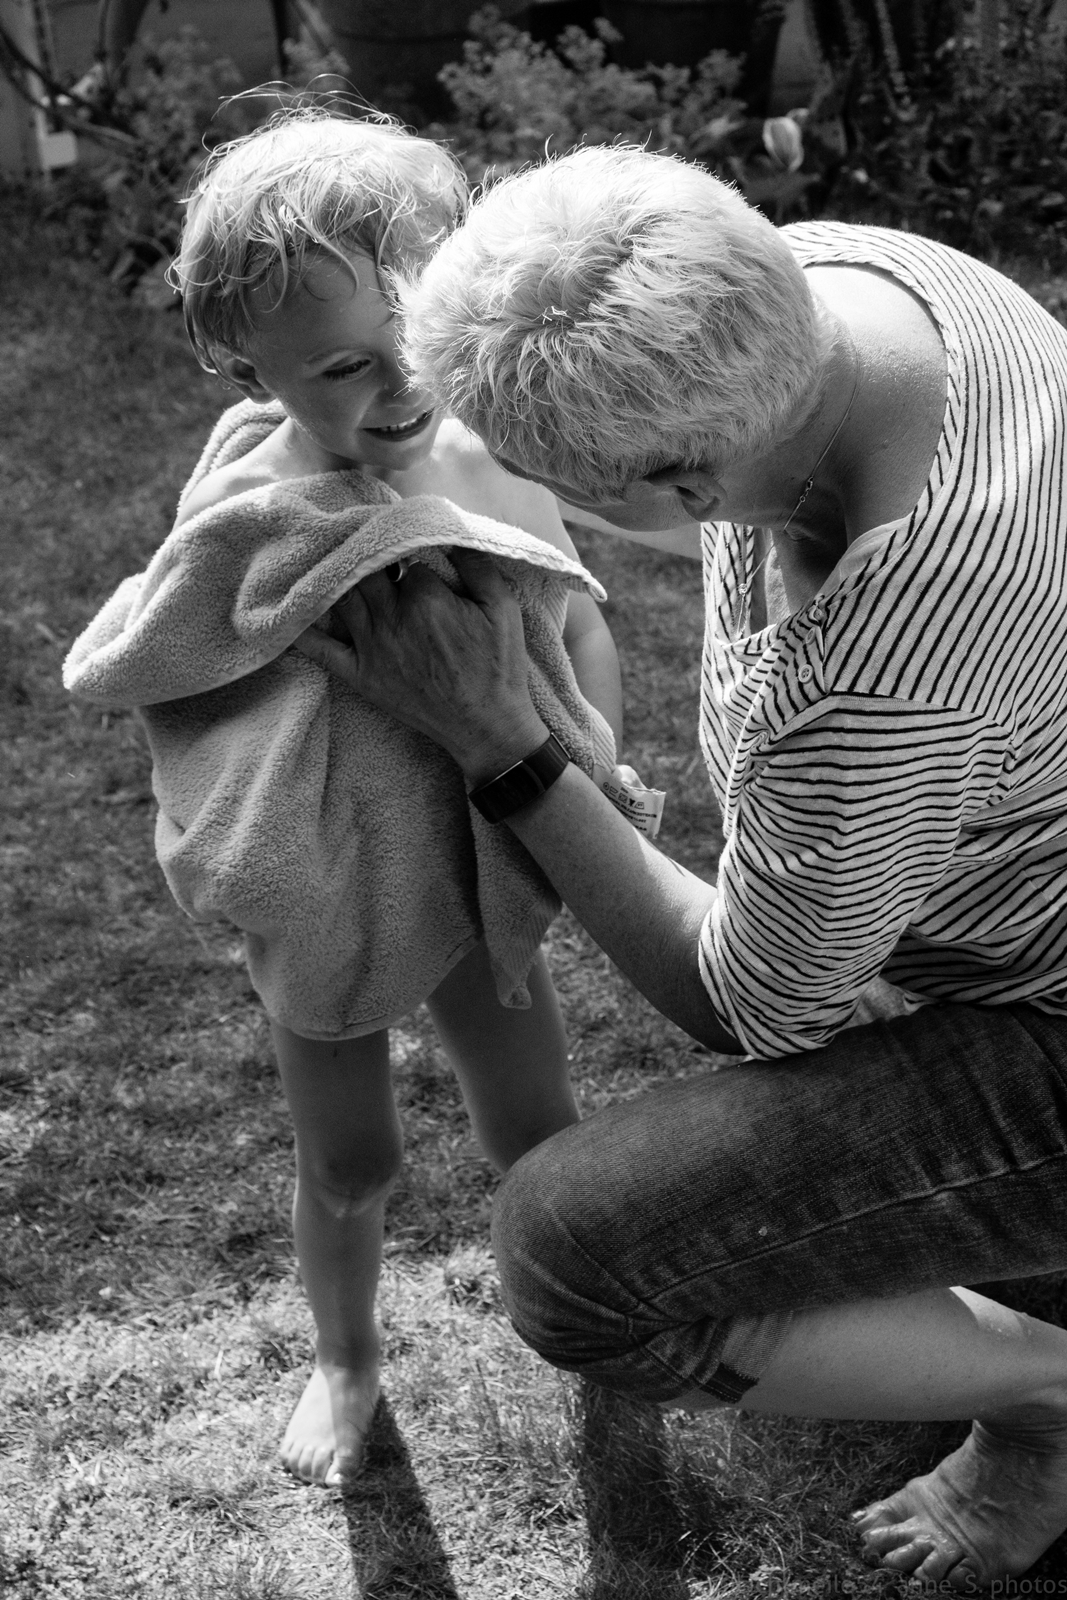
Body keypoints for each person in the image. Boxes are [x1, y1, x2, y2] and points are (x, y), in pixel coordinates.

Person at [298, 143, 1067, 1586]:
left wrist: (504, 742)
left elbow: (759, 1003)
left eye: (547, 483)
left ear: (684, 481)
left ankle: (1052, 1396)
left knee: (572, 1255)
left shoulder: (882, 663)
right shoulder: (850, 281)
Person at [63, 115, 623, 1489]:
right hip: (326, 874)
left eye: (415, 338)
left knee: (537, 1130)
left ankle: (607, 1317)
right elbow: (185, 660)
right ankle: (346, 1357)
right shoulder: (257, 511)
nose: (400, 384)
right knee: (352, 1162)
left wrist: (593, 751)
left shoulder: (490, 462)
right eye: (342, 366)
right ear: (244, 367)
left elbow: (576, 617)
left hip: (477, 850)